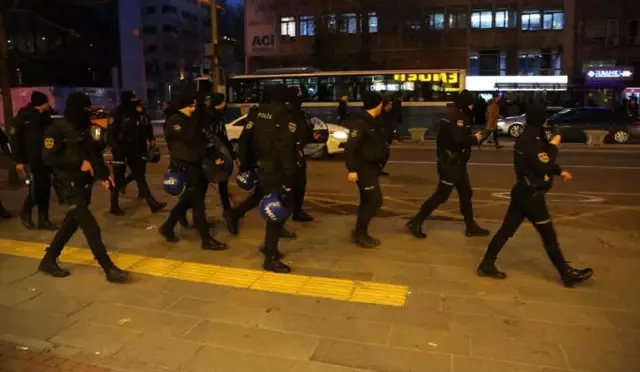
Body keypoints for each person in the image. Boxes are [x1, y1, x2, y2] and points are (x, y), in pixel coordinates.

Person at [477, 107, 594, 288]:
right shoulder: (529, 140)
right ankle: (566, 274)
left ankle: (486, 264)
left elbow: (541, 158)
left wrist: (559, 170)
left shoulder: (532, 137)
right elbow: (543, 164)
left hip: (523, 193)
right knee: (549, 236)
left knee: (506, 231)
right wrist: (555, 145)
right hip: (531, 197)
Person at [38, 92, 129, 283]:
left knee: (69, 226)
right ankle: (109, 269)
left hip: (82, 184)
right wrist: (78, 163)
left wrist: (103, 175)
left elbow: (92, 154)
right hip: (67, 185)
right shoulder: (57, 130)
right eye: (84, 109)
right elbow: (48, 158)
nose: (88, 113)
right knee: (91, 228)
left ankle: (48, 260)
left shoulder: (83, 128)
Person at [406, 90, 489, 238]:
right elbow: (459, 139)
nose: (472, 106)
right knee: (441, 195)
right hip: (452, 164)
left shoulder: (451, 114)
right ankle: (416, 221)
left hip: (456, 163)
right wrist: (475, 138)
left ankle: (470, 225)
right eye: (470, 103)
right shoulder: (459, 117)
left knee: (466, 193)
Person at [236, 84, 297, 273]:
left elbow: (244, 139)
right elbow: (285, 148)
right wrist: (288, 177)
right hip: (277, 170)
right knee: (277, 211)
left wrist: (245, 166)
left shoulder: (257, 112)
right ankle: (270, 257)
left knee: (270, 204)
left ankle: (269, 248)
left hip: (261, 167)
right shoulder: (284, 115)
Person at [159, 89, 227, 251]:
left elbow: (204, 139)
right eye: (191, 105)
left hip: (197, 164)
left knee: (188, 200)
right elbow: (189, 139)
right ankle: (206, 239)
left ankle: (168, 226)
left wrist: (214, 154)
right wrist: (196, 122)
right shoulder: (175, 121)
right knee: (197, 203)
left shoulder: (192, 119)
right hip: (184, 167)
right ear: (183, 106)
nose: (194, 108)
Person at [224, 98, 297, 240]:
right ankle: (270, 251)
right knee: (279, 200)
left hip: (264, 166)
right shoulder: (278, 115)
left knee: (260, 196)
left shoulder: (259, 113)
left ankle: (235, 214)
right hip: (272, 168)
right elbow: (283, 148)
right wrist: (245, 165)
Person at [107, 91, 166, 216]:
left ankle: (152, 202)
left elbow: (146, 125)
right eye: (131, 99)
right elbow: (110, 135)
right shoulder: (117, 113)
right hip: (121, 150)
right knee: (118, 178)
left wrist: (151, 137)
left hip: (137, 149)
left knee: (139, 176)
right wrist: (116, 148)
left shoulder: (139, 112)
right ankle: (114, 205)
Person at [344, 92, 387, 248]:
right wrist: (352, 169)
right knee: (375, 200)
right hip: (364, 169)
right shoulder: (360, 123)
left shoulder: (374, 121)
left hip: (373, 168)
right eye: (381, 103)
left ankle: (360, 232)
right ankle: (360, 233)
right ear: (377, 104)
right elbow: (350, 148)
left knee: (367, 201)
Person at [10, 91, 56, 229]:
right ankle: (25, 212)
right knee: (36, 191)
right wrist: (18, 161)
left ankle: (43, 218)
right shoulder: (24, 117)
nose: (49, 105)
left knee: (46, 189)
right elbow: (15, 141)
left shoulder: (47, 116)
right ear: (42, 103)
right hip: (31, 159)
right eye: (47, 102)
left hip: (45, 158)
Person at [287, 86, 315, 222]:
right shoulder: (285, 114)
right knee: (287, 188)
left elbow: (307, 134)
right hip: (288, 156)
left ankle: (297, 211)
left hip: (299, 155)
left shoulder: (302, 115)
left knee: (300, 185)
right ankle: (281, 219)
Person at [379, 99, 395, 176]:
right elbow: (384, 127)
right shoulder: (382, 114)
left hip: (387, 138)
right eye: (390, 104)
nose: (391, 106)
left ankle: (379, 169)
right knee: (384, 154)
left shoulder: (388, 114)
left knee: (385, 155)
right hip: (383, 138)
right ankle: (377, 170)